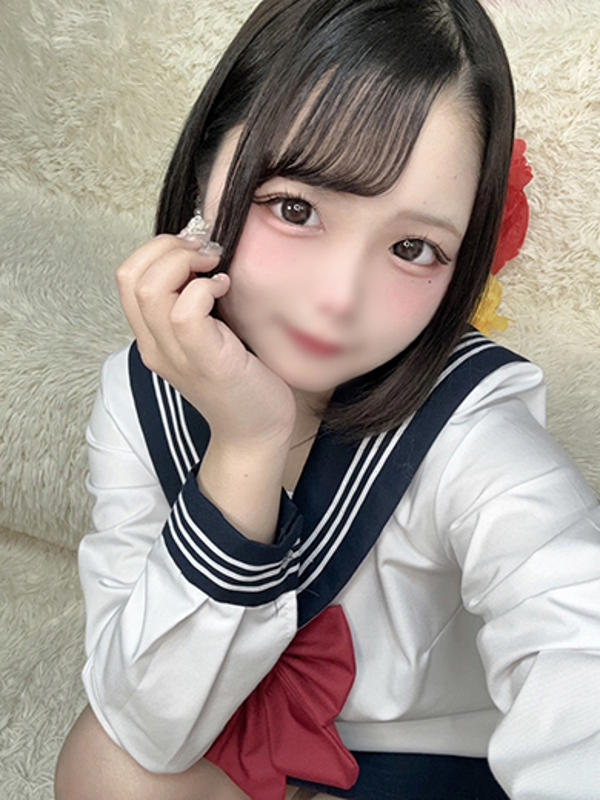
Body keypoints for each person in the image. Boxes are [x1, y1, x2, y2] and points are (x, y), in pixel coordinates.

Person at [54, 0, 600, 798]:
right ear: (205, 171)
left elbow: (577, 634)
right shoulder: (141, 394)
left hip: (435, 773)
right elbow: (143, 720)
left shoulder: (472, 428)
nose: (339, 299)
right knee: (107, 765)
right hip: (235, 737)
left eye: (413, 248)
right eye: (296, 208)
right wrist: (247, 445)